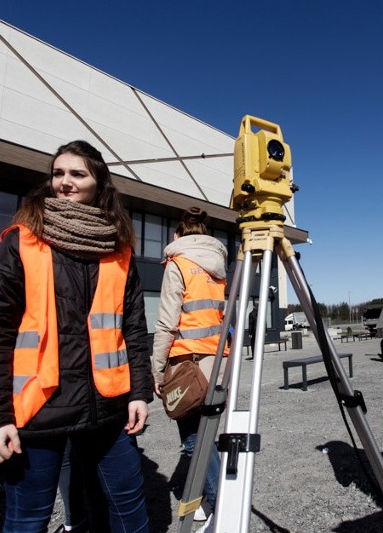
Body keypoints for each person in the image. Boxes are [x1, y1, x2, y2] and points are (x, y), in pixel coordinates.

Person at [0, 140, 153, 533]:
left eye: (77, 174)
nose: (65, 182)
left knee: (128, 505)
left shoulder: (118, 250)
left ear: (99, 183)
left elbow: (133, 329)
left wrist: (139, 391)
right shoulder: (24, 241)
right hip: (35, 410)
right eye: (58, 173)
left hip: (108, 407)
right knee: (29, 519)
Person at [151, 207, 227, 528]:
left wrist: (156, 370)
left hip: (187, 365)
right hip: (217, 363)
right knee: (207, 435)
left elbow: (167, 323)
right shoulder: (219, 268)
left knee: (195, 439)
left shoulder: (177, 264)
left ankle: (219, 505)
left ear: (178, 235)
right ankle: (214, 499)